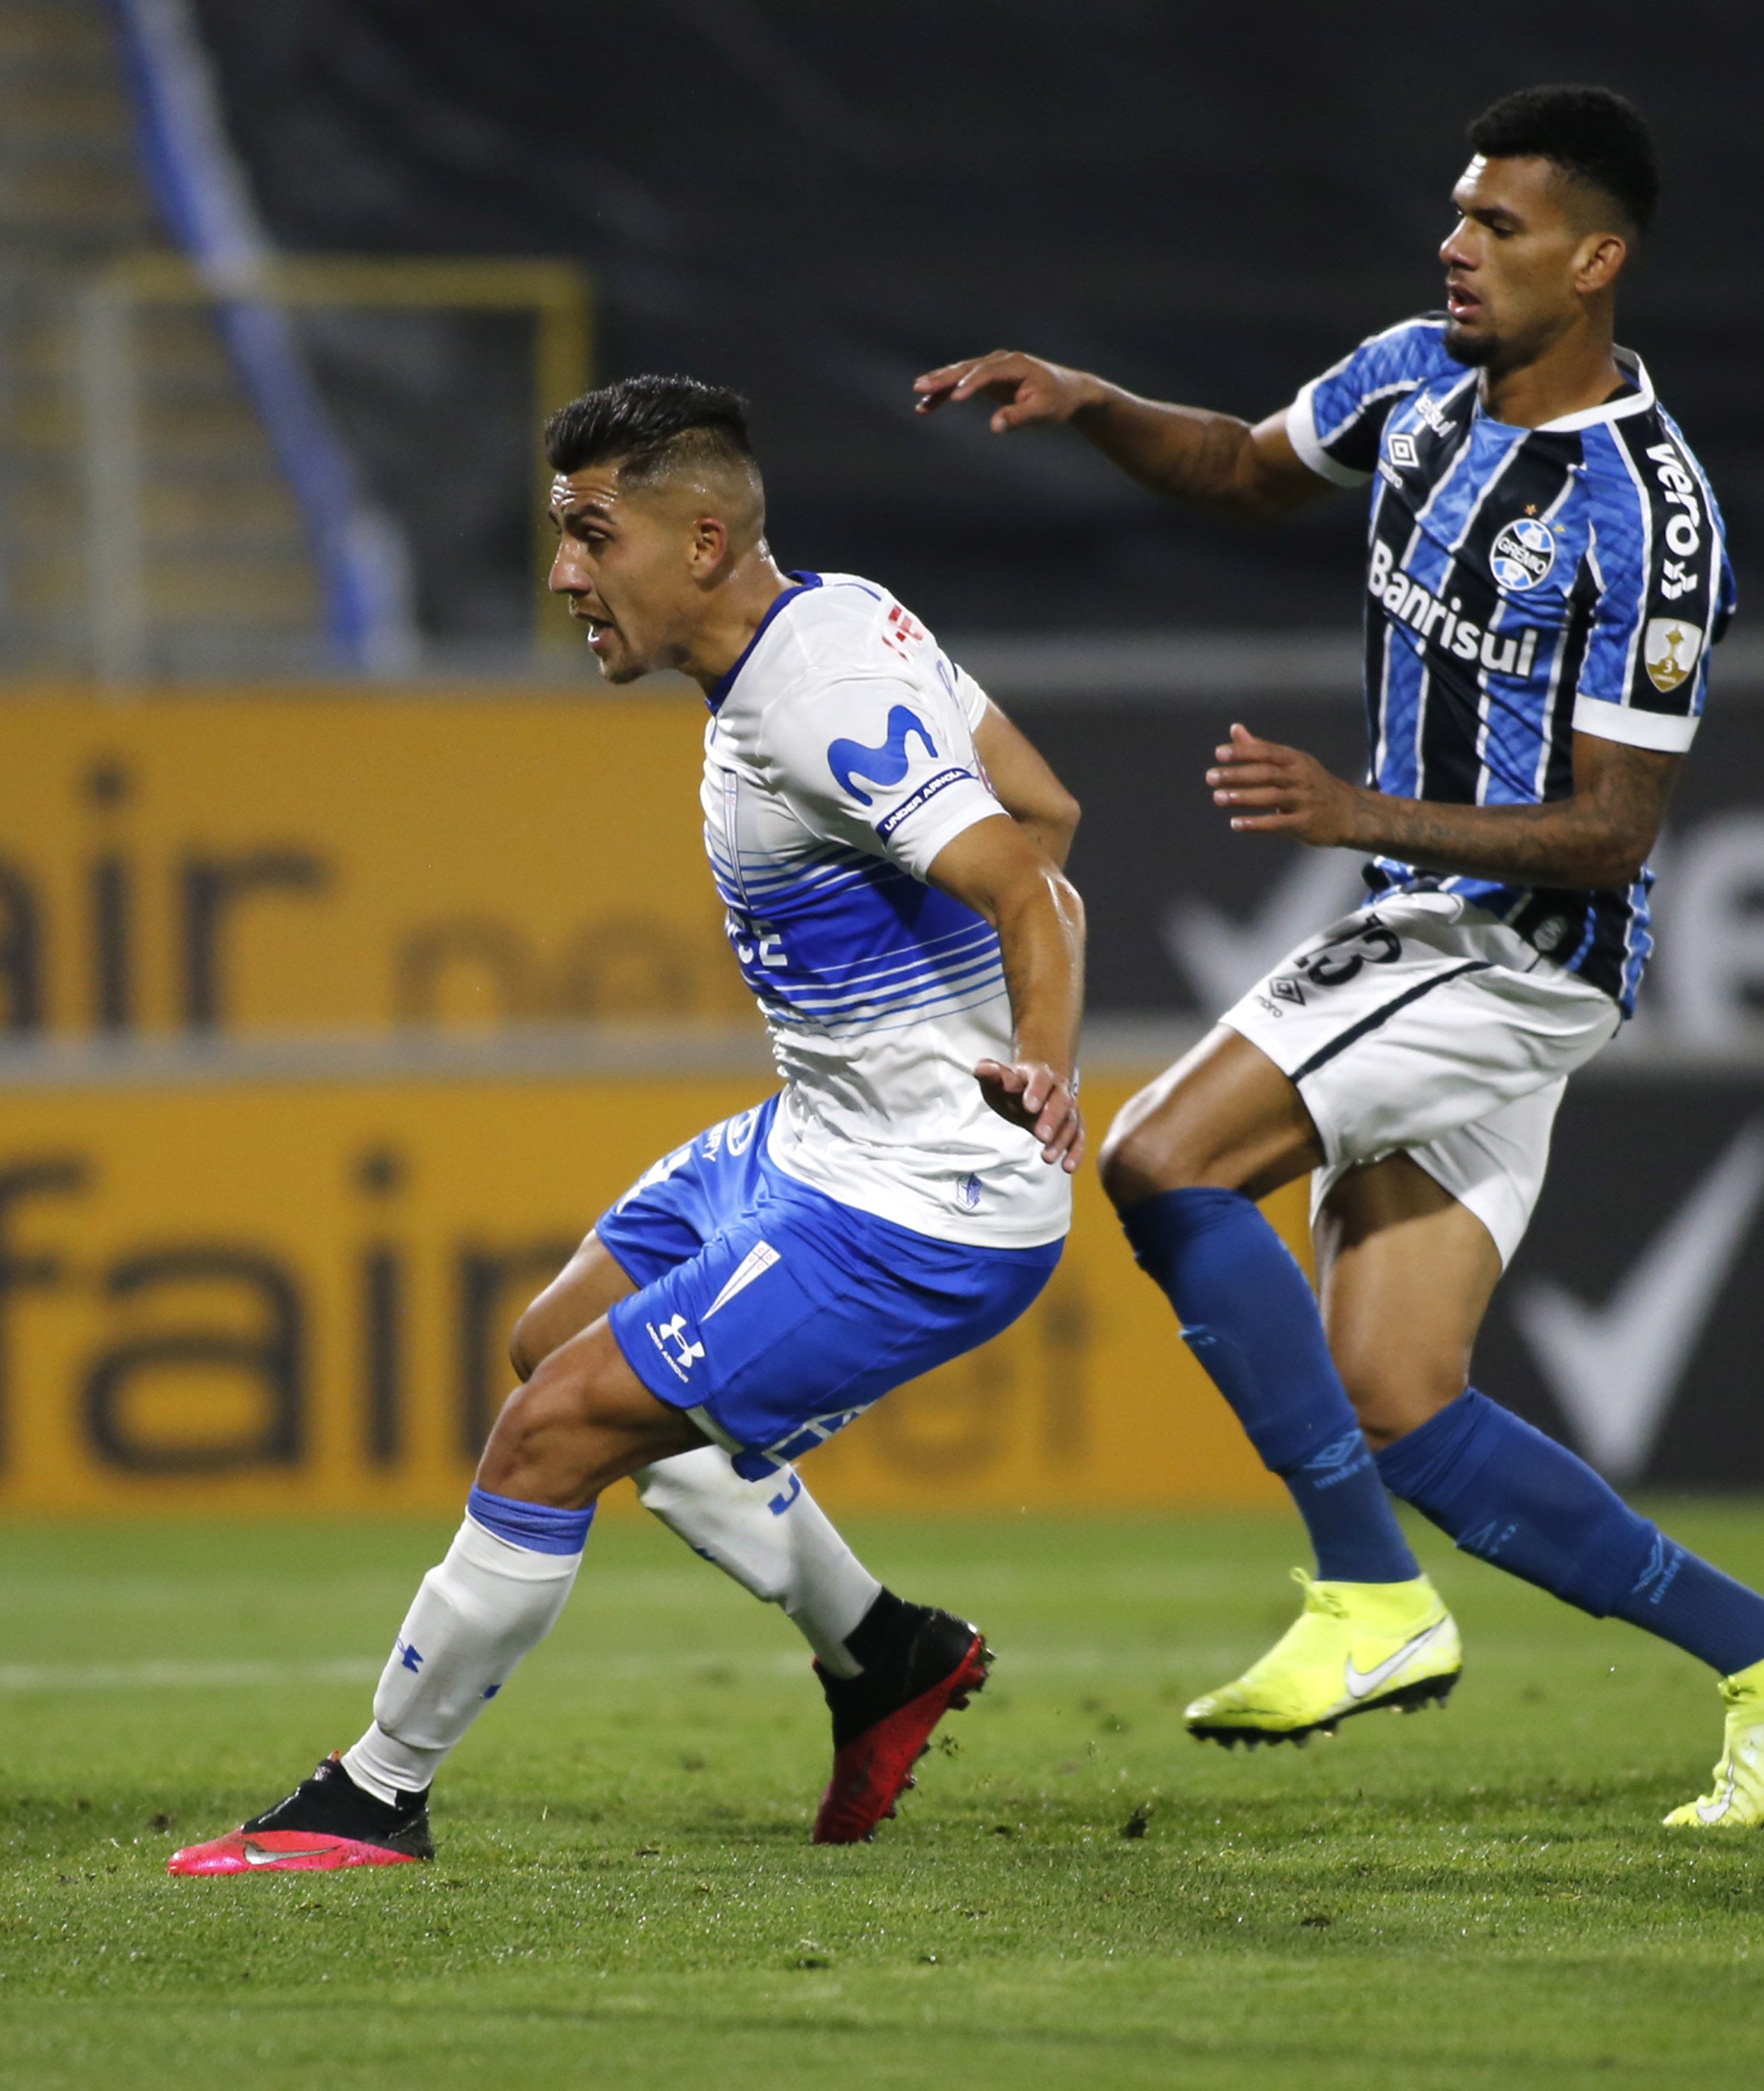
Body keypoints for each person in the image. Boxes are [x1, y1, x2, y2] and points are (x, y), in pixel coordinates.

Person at [912, 84, 1764, 1829]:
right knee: (1400, 1395)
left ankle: (1366, 1598)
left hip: (1520, 942)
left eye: (1499, 226)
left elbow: (1614, 831)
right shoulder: (1413, 377)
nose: (1456, 245)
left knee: (1159, 1159)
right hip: (1433, 930)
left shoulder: (1652, 521)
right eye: (1455, 214)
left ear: (1597, 262)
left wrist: (1361, 809)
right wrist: (1090, 405)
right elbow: (1240, 465)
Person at [171, 374, 1088, 1874]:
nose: (564, 577)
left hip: (917, 1206)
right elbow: (1045, 808)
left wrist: (1033, 1064)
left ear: (706, 539)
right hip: (819, 1137)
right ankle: (882, 1650)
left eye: (594, 537)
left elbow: (1026, 882)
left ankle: (374, 1795)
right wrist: (934, 1030)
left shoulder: (819, 699)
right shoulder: (843, 613)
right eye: (561, 536)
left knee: (550, 1437)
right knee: (556, 1348)